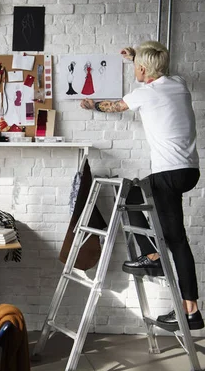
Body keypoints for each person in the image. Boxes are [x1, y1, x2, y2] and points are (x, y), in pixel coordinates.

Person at [80, 41, 202, 330]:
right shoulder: (179, 83)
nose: (133, 68)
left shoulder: (144, 93)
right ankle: (153, 256)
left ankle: (189, 309)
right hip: (189, 171)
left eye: (136, 66)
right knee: (134, 192)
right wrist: (136, 56)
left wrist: (90, 104)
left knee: (176, 240)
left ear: (145, 70)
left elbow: (115, 106)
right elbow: (155, 70)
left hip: (168, 174)